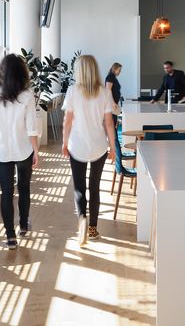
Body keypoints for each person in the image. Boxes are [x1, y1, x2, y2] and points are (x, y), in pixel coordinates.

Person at [0, 54, 40, 250]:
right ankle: (23, 225)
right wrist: (36, 151)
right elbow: (31, 127)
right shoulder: (27, 95)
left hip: (0, 150)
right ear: (21, 72)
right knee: (24, 188)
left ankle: (10, 236)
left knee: (6, 192)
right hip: (23, 148)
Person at [62, 54, 116, 246]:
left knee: (79, 187)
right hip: (98, 146)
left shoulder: (72, 91)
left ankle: (82, 220)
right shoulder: (104, 92)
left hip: (77, 145)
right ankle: (93, 228)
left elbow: (67, 121)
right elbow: (109, 123)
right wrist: (113, 147)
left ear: (79, 71)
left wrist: (64, 143)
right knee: (94, 186)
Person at [105, 62, 123, 134]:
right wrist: (113, 103)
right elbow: (108, 90)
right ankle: (116, 145)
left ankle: (115, 144)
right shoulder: (110, 77)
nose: (119, 72)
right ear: (114, 69)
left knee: (114, 127)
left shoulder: (113, 77)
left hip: (113, 104)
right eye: (119, 70)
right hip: (111, 105)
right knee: (113, 128)